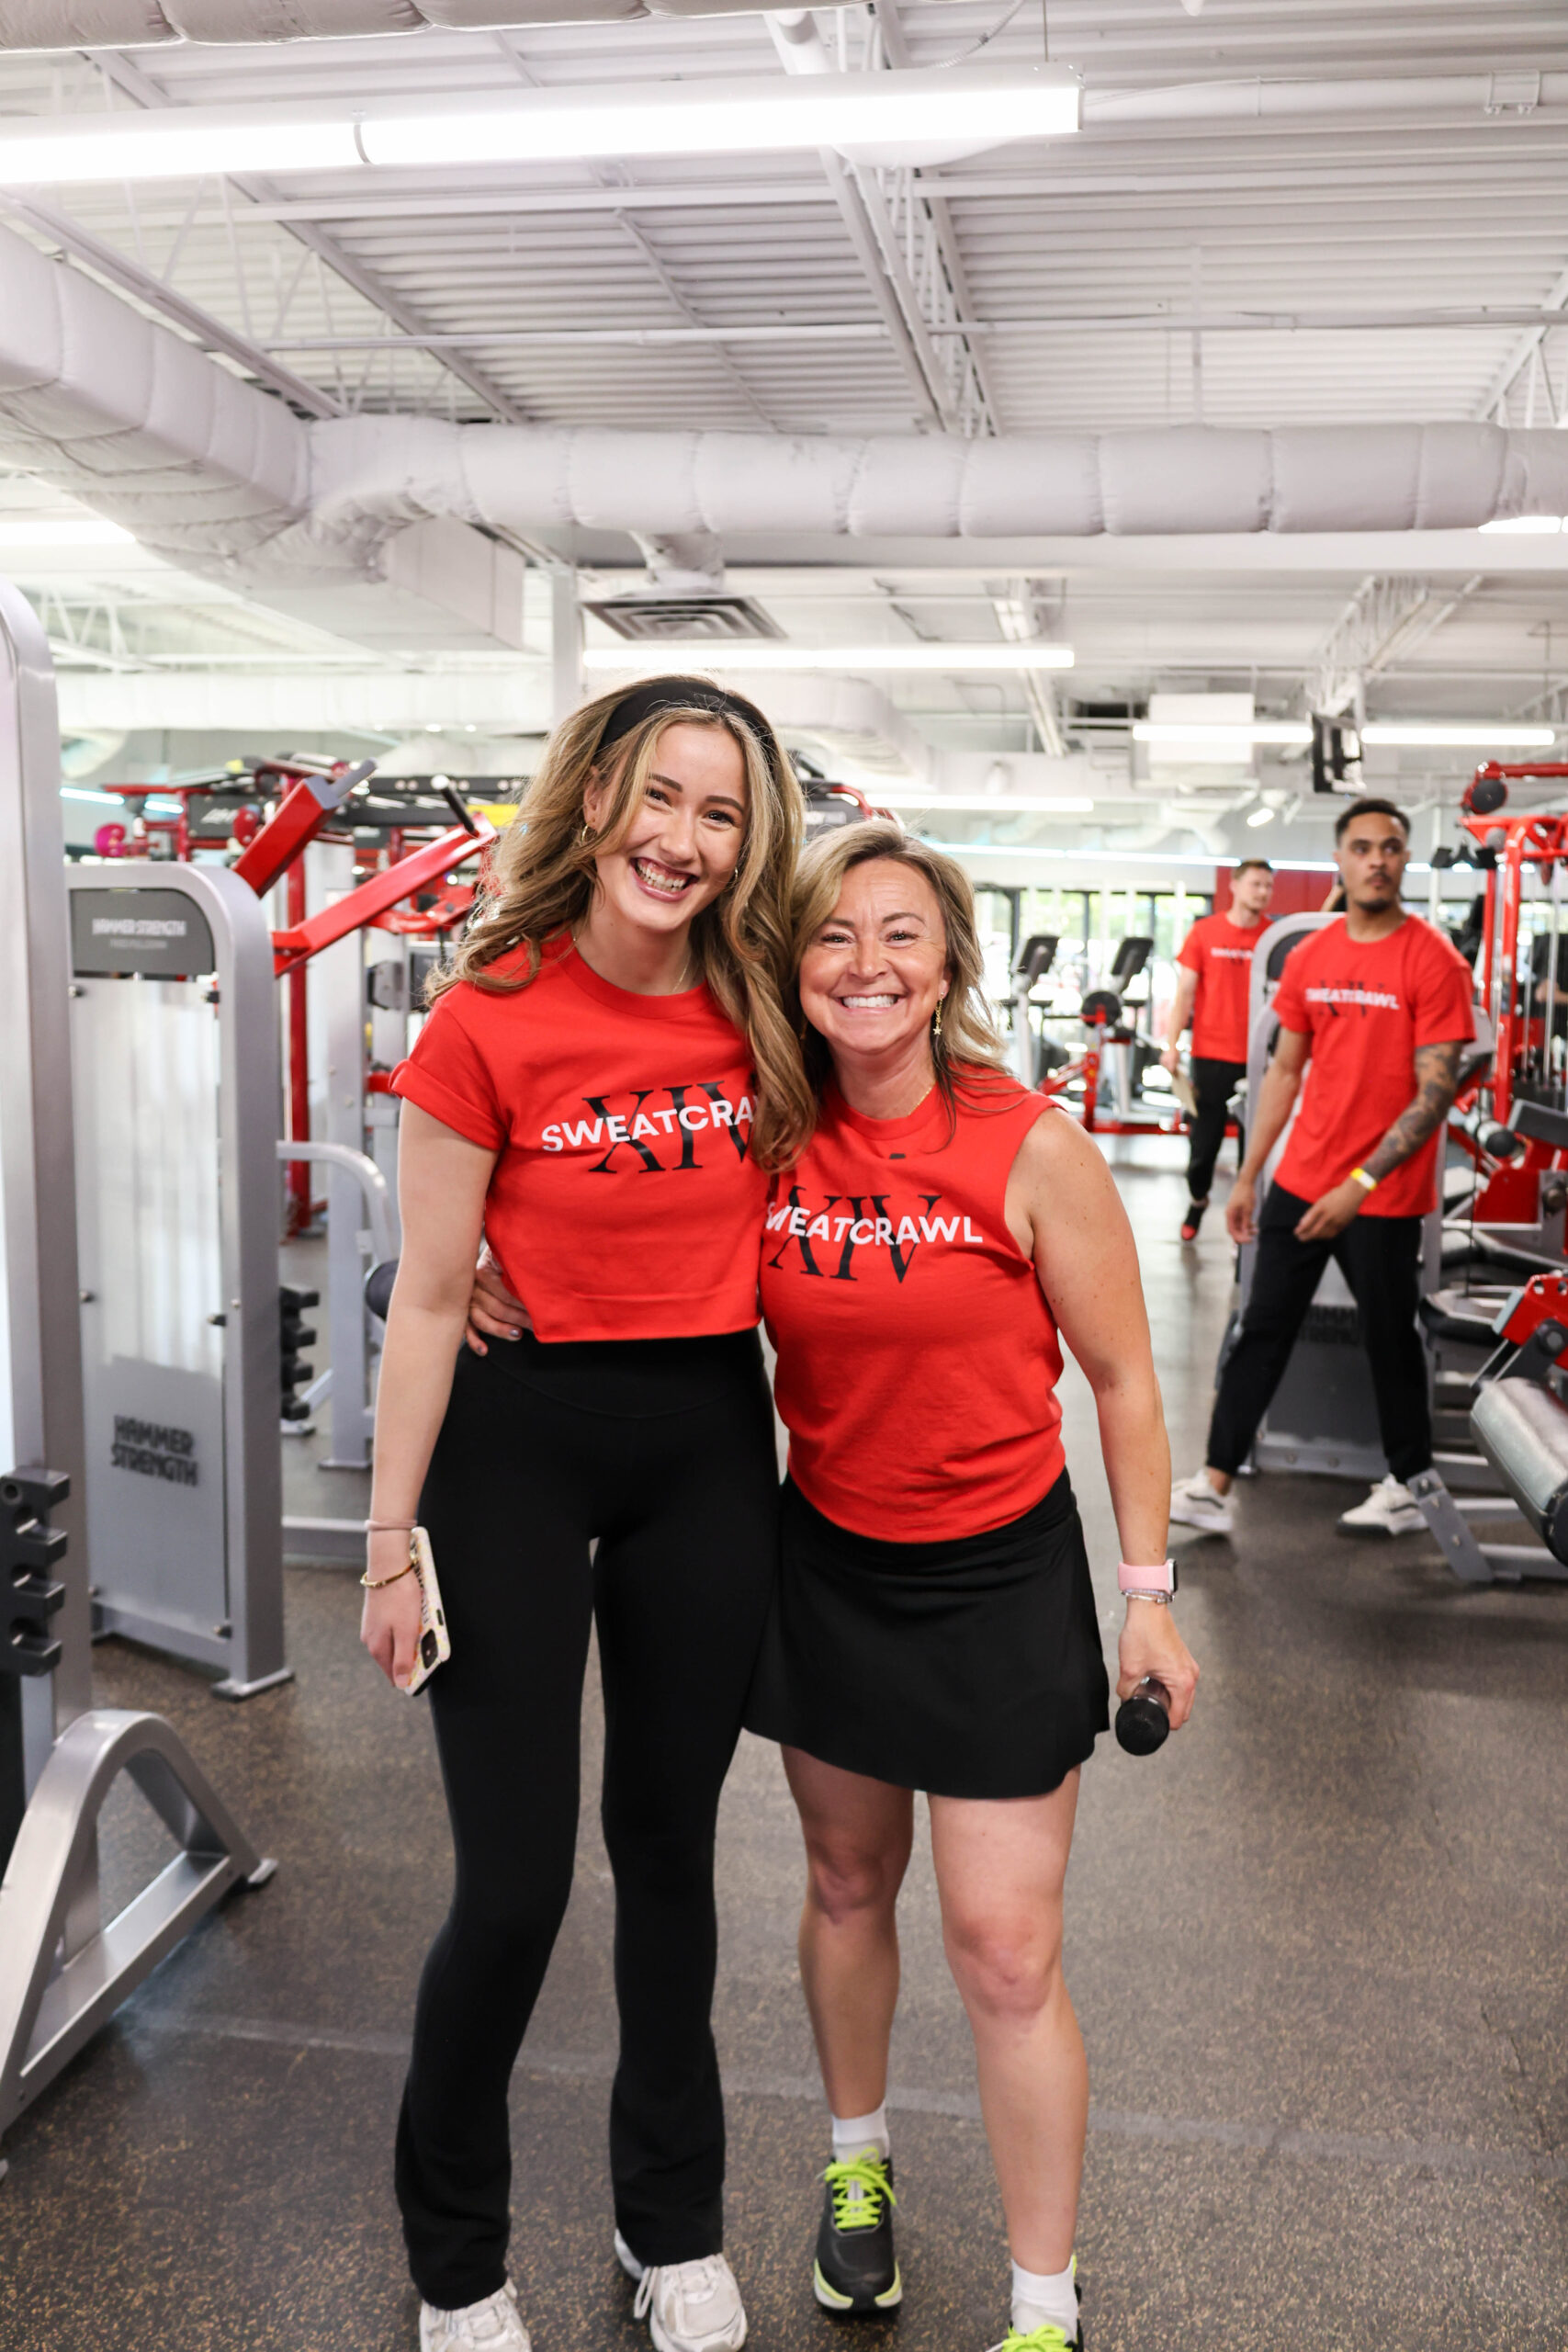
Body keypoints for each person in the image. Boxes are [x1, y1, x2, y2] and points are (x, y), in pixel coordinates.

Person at [360, 675, 812, 2352]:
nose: (682, 840)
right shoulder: (488, 1016)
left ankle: (669, 2224)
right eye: (659, 798)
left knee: (671, 1856)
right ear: (596, 801)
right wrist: (387, 1544)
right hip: (515, 1448)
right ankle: (455, 2262)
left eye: (721, 813)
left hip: (704, 1442)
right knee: (512, 1885)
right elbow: (426, 1296)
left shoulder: (766, 1008)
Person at [746, 826, 1198, 2352]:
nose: (865, 964)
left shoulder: (1030, 1144)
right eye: (832, 935)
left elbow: (1123, 1382)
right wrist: (485, 1268)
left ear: (947, 968)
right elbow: (627, 1241)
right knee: (843, 1886)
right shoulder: (771, 1135)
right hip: (829, 1562)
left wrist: (1144, 1594)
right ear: (794, 967)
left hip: (997, 1579)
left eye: (900, 935)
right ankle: (855, 2162)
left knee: (1004, 1949)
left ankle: (1040, 2307)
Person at [1169, 797, 1474, 1542]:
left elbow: (1434, 1094)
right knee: (1261, 1325)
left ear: (1404, 858)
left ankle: (1407, 1484)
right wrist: (1248, 1175)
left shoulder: (1432, 961)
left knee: (1388, 1336)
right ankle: (1213, 1484)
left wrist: (1358, 1185)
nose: (1376, 860)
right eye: (1361, 848)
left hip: (1381, 1193)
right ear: (1338, 860)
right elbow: (1283, 1072)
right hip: (1301, 1178)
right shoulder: (1311, 956)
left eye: (1390, 847)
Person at [1161, 858, 1275, 1242]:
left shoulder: (1272, 937)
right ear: (1235, 885)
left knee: (1252, 1149)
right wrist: (1172, 1046)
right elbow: (1185, 994)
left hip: (1257, 1058)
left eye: (1268, 886)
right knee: (1203, 1148)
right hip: (1210, 1056)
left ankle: (1245, 1221)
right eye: (1256, 884)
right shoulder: (1205, 932)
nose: (1263, 892)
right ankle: (1198, 1200)